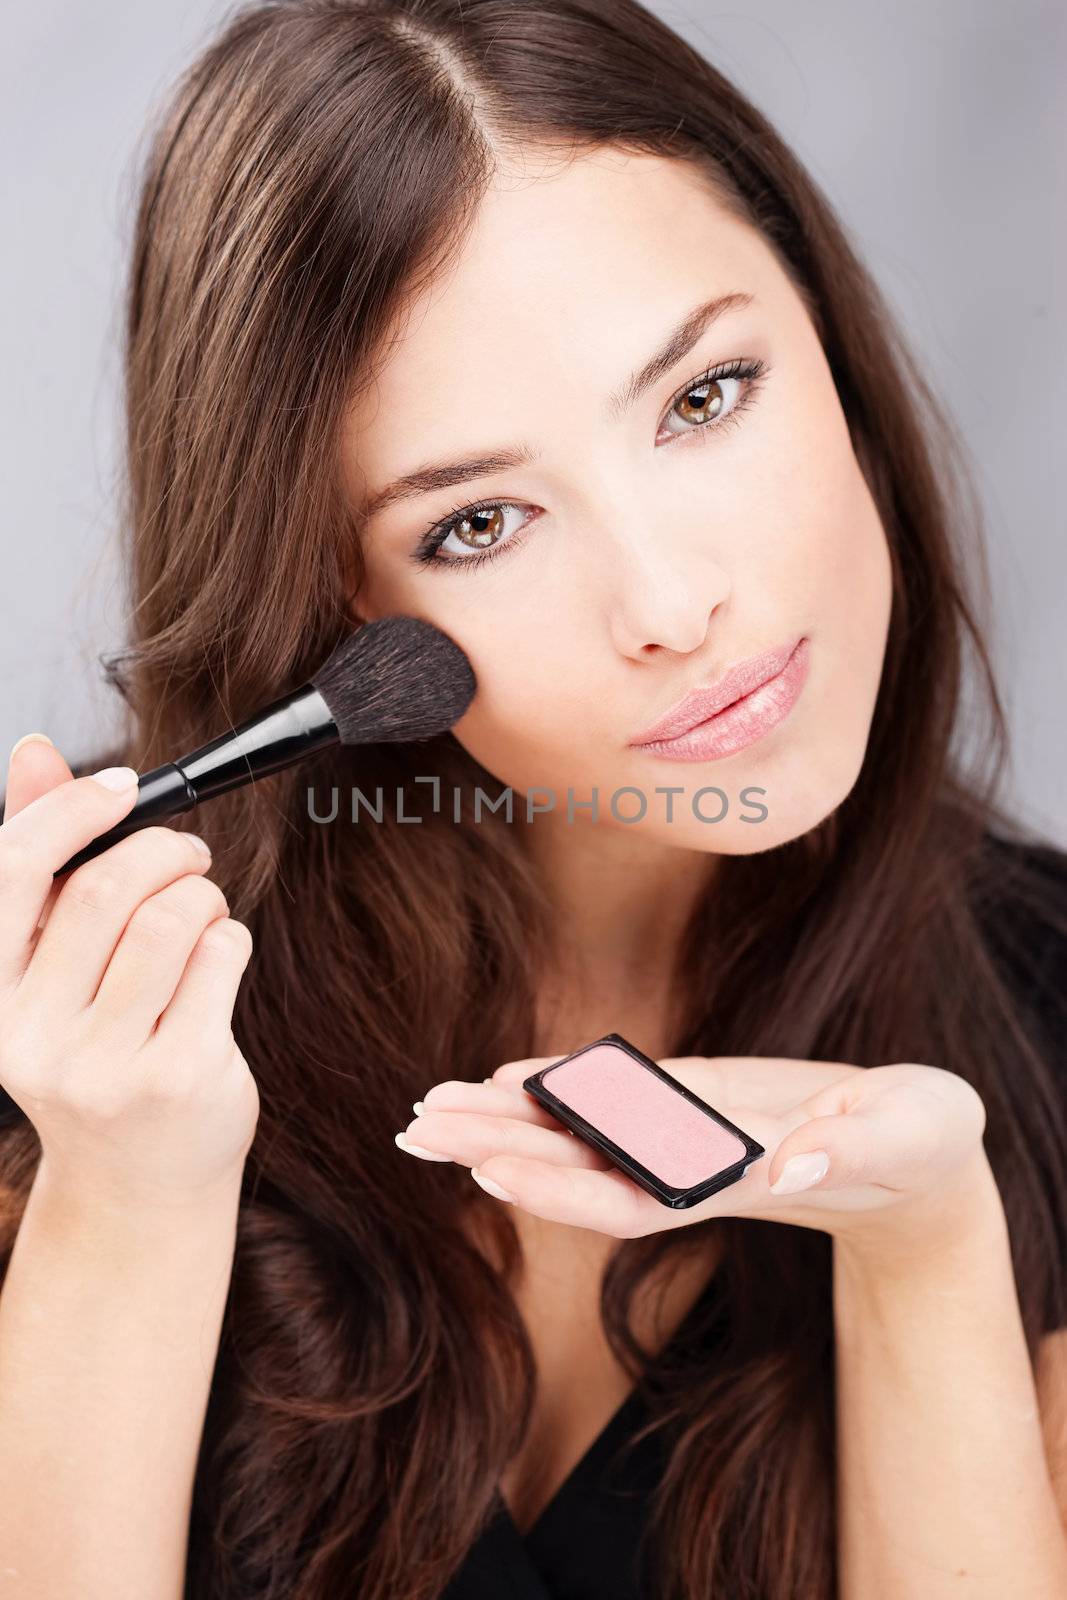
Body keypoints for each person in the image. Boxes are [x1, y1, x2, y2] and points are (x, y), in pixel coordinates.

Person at [1, 2, 1066, 1597]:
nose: (670, 601)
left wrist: (923, 1244)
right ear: (336, 607)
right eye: (481, 523)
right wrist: (121, 1201)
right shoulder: (79, 1025)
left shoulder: (1048, 1014)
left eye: (705, 398)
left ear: (827, 330)